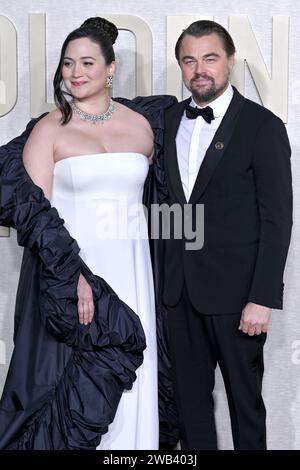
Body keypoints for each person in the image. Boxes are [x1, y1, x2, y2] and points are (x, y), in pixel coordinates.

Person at [0, 17, 176, 450]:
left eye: (87, 63)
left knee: (136, 379)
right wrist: (73, 277)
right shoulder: (49, 129)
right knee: (73, 382)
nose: (76, 73)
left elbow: (165, 204)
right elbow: (36, 216)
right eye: (67, 64)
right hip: (75, 274)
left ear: (110, 68)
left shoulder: (145, 126)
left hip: (133, 272)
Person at [162, 20, 293, 450]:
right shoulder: (166, 122)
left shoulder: (262, 126)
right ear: (181, 66)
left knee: (245, 407)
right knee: (191, 411)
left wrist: (263, 297)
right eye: (190, 59)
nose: (200, 69)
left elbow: (277, 219)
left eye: (210, 58)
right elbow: (173, 208)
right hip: (180, 295)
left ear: (231, 62)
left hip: (239, 299)